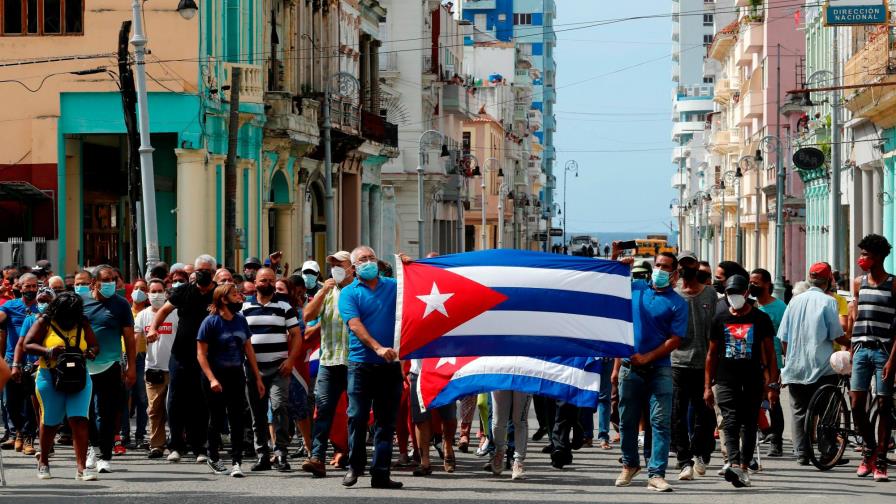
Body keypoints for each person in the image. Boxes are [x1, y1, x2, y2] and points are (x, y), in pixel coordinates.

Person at [612, 246, 688, 492]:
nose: (660, 270)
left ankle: (656, 473)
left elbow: (675, 339)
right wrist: (615, 260)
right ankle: (629, 464)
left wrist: (648, 358)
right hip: (629, 368)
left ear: (674, 274)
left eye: (666, 267)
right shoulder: (636, 289)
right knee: (627, 420)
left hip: (659, 369)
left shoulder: (677, 303)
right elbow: (608, 284)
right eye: (658, 265)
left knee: (660, 422)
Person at [338, 246, 405, 489]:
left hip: (391, 365)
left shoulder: (394, 286)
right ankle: (355, 467)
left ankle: (381, 473)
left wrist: (410, 267)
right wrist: (377, 347)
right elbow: (355, 325)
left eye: (371, 258)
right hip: (361, 364)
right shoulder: (348, 293)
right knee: (356, 417)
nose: (368, 262)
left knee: (386, 421)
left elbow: (417, 295)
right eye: (363, 259)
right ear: (354, 268)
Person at [704, 275, 779, 488]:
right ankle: (733, 462)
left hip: (753, 379)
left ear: (746, 293)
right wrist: (707, 386)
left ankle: (744, 466)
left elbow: (770, 353)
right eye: (729, 293)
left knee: (748, 423)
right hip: (726, 379)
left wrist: (772, 384)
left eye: (737, 293)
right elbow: (711, 354)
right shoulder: (719, 319)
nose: (733, 297)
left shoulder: (760, 319)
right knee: (729, 420)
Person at [148, 254, 217, 463]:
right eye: (199, 270)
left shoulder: (218, 294)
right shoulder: (183, 291)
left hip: (207, 356)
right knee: (175, 400)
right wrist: (153, 329)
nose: (202, 274)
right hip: (180, 355)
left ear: (213, 273)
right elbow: (164, 310)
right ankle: (176, 445)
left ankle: (200, 447)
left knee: (201, 402)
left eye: (206, 271)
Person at [24, 292, 100, 481]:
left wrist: (91, 352)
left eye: (72, 314)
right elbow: (27, 344)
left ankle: (82, 468)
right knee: (50, 422)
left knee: (79, 419)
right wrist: (48, 351)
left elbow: (94, 345)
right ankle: (43, 461)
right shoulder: (45, 322)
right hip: (49, 377)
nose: (69, 319)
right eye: (66, 314)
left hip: (79, 378)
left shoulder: (82, 322)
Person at [777, 263, 848, 466]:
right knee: (827, 411)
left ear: (809, 279)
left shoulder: (794, 301)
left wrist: (789, 358)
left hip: (796, 367)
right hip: (822, 367)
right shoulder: (829, 302)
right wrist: (852, 344)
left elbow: (783, 337)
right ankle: (827, 451)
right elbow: (836, 335)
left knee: (799, 411)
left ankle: (801, 453)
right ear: (829, 281)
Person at [197, 283, 265, 477]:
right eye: (235, 295)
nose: (239, 298)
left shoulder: (241, 320)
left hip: (236, 374)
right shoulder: (210, 322)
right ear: (223, 299)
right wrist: (211, 379)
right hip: (215, 375)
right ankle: (213, 457)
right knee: (216, 418)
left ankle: (237, 461)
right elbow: (201, 354)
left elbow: (248, 349)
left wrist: (257, 376)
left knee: (237, 418)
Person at [242, 267, 303, 472]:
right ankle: (262, 455)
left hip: (279, 368)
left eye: (270, 280)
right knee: (257, 413)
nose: (266, 283)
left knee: (279, 408)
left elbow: (296, 335)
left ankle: (281, 454)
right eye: (262, 280)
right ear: (255, 281)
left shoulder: (284, 307)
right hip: (252, 369)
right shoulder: (244, 308)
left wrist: (291, 360)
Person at [302, 251, 354, 478]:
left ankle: (353, 455)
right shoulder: (327, 292)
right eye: (331, 264)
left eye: (339, 264)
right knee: (322, 411)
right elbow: (307, 316)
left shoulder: (359, 290)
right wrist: (322, 291)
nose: (335, 268)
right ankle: (317, 457)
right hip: (329, 361)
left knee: (356, 413)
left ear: (351, 267)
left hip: (355, 362)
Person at [849, 234, 896, 481]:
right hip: (860, 350)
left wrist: (892, 360)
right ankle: (869, 448)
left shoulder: (893, 284)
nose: (862, 259)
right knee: (856, 404)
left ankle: (880, 462)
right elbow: (856, 316)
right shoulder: (858, 283)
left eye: (866, 255)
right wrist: (850, 344)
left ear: (879, 257)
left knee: (884, 405)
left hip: (884, 352)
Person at [81, 265, 136, 474]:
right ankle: (92, 448)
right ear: (93, 283)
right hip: (84, 368)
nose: (111, 283)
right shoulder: (81, 302)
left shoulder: (121, 305)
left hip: (111, 365)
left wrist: (131, 367)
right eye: (106, 280)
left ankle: (105, 455)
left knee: (106, 413)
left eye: (113, 279)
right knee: (84, 413)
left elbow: (129, 338)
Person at [671, 251, 717, 480]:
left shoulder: (710, 294)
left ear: (697, 265)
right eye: (682, 265)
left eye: (689, 264)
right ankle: (683, 460)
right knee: (678, 414)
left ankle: (701, 451)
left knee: (705, 415)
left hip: (705, 363)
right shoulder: (674, 294)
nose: (685, 268)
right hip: (678, 362)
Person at [134, 278, 178, 459]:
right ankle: (156, 445)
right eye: (153, 291)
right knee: (154, 409)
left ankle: (176, 442)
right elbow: (136, 339)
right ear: (148, 294)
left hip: (174, 368)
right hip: (153, 368)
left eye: (160, 291)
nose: (157, 295)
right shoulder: (143, 315)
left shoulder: (175, 313)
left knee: (174, 408)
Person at [0, 272, 40, 454]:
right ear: (20, 287)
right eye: (28, 286)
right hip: (12, 360)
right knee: (11, 402)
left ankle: (28, 437)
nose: (31, 290)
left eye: (34, 286)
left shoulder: (43, 308)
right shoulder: (10, 306)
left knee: (30, 403)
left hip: (35, 362)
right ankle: (17, 433)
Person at [749, 268, 787, 457]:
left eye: (756, 282)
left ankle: (776, 442)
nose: (752, 285)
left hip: (774, 362)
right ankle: (764, 432)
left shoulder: (780, 307)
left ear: (766, 284)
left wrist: (786, 365)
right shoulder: (751, 307)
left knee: (773, 401)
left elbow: (786, 337)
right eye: (750, 282)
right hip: (753, 361)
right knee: (753, 401)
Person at [120, 279, 150, 452]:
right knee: (125, 397)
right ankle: (125, 435)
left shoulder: (150, 313)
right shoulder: (126, 311)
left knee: (142, 398)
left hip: (144, 357)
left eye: (143, 289)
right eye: (136, 288)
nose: (139, 291)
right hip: (125, 357)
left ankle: (140, 435)